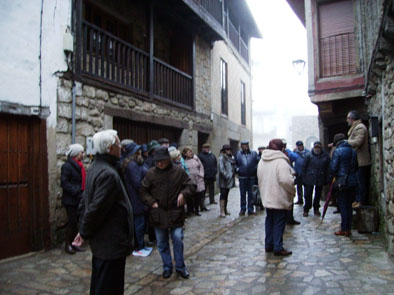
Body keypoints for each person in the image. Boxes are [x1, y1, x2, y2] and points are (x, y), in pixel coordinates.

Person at [73, 130, 134, 295]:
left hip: (105, 243)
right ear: (109, 148)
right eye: (118, 144)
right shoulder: (107, 173)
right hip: (110, 242)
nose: (121, 147)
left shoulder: (98, 167)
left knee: (101, 283)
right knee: (108, 287)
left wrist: (83, 229)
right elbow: (95, 208)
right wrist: (84, 232)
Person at [140, 146, 196, 279]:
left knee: (177, 239)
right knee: (162, 242)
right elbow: (143, 190)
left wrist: (183, 194)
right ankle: (167, 266)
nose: (160, 164)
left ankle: (180, 267)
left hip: (175, 212)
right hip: (158, 213)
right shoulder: (151, 173)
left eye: (162, 161)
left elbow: (191, 185)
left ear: (168, 159)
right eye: (157, 161)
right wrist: (151, 202)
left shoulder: (178, 171)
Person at [257, 139, 295, 256]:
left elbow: (259, 176)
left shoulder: (262, 160)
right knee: (279, 222)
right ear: (281, 148)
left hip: (268, 195)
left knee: (270, 220)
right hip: (279, 196)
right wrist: (292, 190)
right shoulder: (281, 162)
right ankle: (278, 247)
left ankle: (269, 245)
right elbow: (285, 180)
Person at [122, 142, 152, 257]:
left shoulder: (134, 163)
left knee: (139, 223)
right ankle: (139, 246)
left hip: (137, 198)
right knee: (138, 224)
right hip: (136, 198)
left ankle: (140, 245)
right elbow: (137, 183)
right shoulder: (132, 165)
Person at [330, 133, 358, 236]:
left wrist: (332, 179)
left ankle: (344, 228)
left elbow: (333, 167)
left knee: (343, 205)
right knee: (349, 205)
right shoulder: (353, 151)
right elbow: (356, 166)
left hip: (342, 182)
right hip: (352, 181)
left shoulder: (337, 151)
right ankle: (348, 228)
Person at [61, 143, 86, 255]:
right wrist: (77, 191)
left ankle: (75, 244)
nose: (83, 154)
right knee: (72, 222)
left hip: (78, 199)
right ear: (76, 154)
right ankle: (68, 244)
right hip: (70, 200)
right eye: (81, 152)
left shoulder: (79, 165)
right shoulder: (67, 166)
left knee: (76, 223)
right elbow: (64, 183)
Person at [346, 110, 371, 208]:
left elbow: (358, 141)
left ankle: (362, 201)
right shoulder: (356, 127)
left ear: (352, 119)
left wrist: (346, 142)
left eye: (348, 118)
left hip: (362, 161)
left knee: (362, 182)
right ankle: (358, 200)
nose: (347, 120)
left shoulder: (360, 127)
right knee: (359, 182)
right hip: (357, 160)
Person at [301, 141, 330, 217]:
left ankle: (316, 208)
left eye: (318, 147)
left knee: (318, 195)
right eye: (315, 147)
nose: (317, 149)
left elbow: (327, 168)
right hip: (309, 177)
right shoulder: (308, 156)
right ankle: (306, 208)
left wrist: (327, 178)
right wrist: (304, 177)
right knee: (308, 194)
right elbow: (304, 167)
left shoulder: (325, 156)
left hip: (320, 177)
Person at [235, 140, 259, 216]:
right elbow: (235, 164)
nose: (246, 146)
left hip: (251, 176)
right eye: (244, 145)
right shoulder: (238, 154)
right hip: (242, 177)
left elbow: (257, 162)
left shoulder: (253, 153)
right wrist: (238, 170)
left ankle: (250, 209)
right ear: (241, 146)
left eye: (247, 145)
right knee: (242, 194)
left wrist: (255, 169)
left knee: (251, 194)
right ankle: (243, 209)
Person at [183, 147, 206, 215]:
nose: (191, 153)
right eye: (189, 152)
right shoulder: (184, 161)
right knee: (189, 197)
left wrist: (201, 175)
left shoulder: (196, 158)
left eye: (191, 151)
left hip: (198, 180)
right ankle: (190, 210)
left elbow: (201, 166)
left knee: (197, 196)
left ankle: (197, 210)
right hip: (190, 181)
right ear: (185, 154)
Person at [282, 139, 300, 225]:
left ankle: (289, 218)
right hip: (283, 176)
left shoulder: (287, 153)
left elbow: (295, 157)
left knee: (289, 198)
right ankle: (285, 218)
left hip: (289, 175)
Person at [218, 144, 235, 217]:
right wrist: (227, 176)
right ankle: (222, 211)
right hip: (223, 180)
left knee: (226, 195)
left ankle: (225, 209)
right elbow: (222, 169)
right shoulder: (222, 158)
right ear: (224, 151)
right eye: (227, 150)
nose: (229, 151)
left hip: (228, 180)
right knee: (223, 195)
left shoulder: (230, 158)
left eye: (230, 150)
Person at [293, 140, 310, 205]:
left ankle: (306, 199)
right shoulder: (295, 153)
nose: (300, 147)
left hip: (306, 173)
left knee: (306, 187)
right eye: (299, 146)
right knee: (299, 187)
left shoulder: (308, 152)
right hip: (298, 172)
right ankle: (300, 199)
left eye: (301, 145)